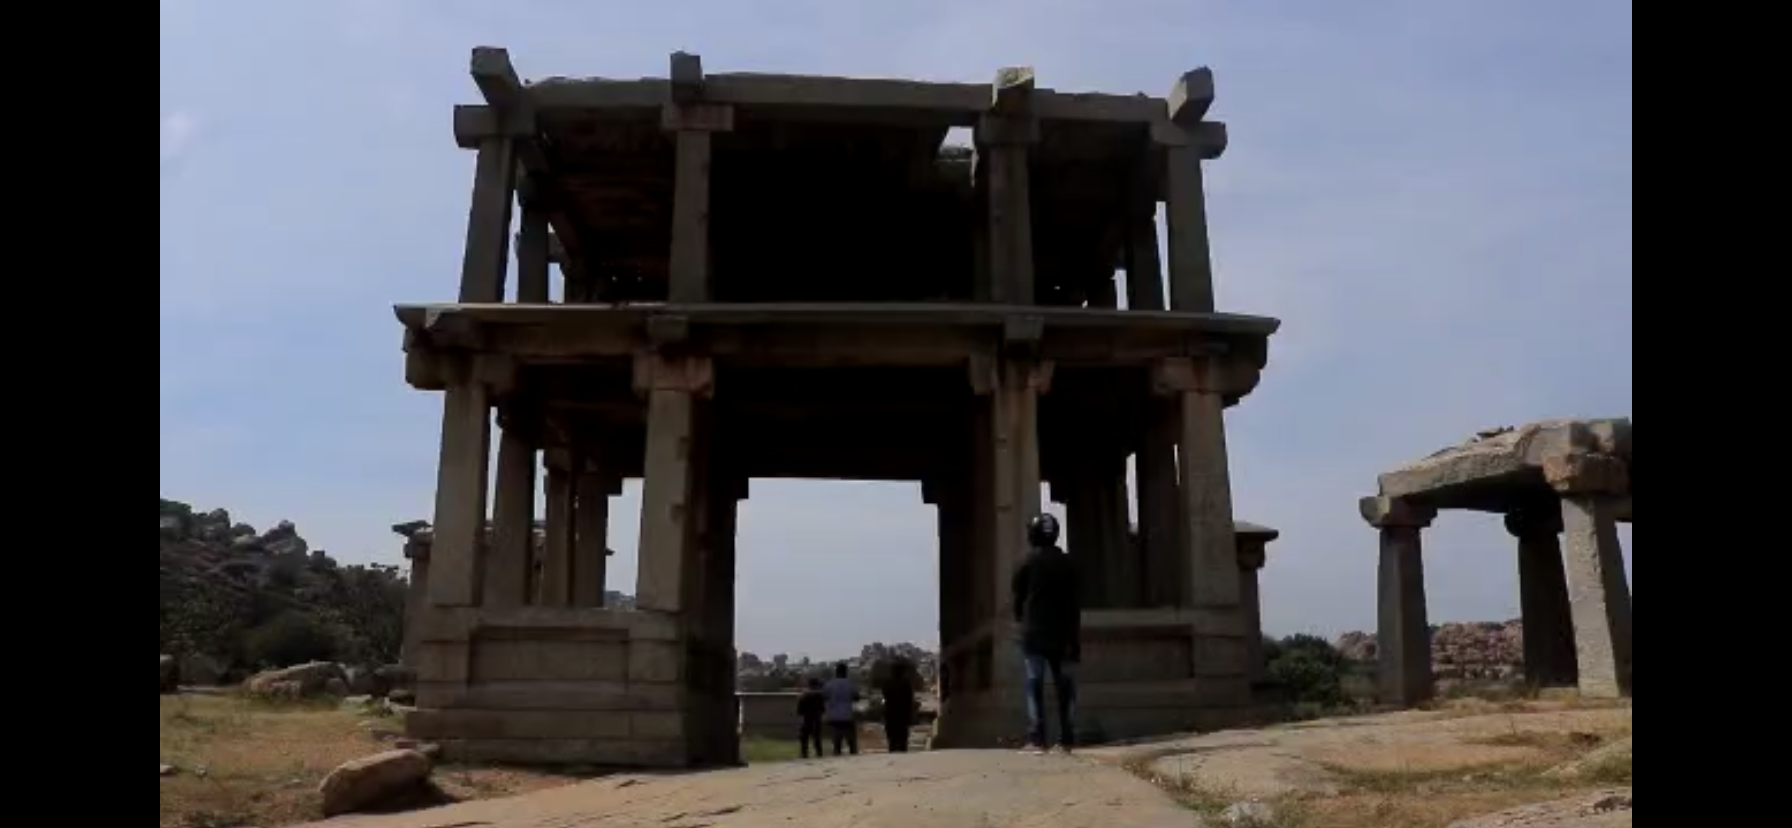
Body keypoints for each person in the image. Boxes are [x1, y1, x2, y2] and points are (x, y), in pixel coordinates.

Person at [1010, 512, 1081, 755]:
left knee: (1034, 686)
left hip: (1034, 634)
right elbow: (1075, 600)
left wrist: (1020, 621)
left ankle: (1037, 739)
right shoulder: (1069, 563)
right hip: (1064, 634)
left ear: (1032, 534)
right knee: (1065, 688)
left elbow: (1017, 597)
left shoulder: (1027, 562)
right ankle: (1067, 740)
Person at [821, 661, 860, 755]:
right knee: (851, 741)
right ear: (846, 672)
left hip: (833, 716)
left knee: (836, 740)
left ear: (836, 672)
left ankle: (837, 753)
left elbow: (824, 697)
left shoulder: (829, 684)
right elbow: (856, 697)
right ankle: (853, 754)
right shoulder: (850, 684)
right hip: (847, 716)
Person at [880, 661, 918, 753]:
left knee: (891, 740)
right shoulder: (906, 683)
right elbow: (909, 700)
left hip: (890, 714)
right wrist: (910, 715)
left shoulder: (887, 683)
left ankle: (893, 752)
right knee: (903, 740)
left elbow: (884, 697)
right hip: (902, 714)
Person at [795, 677, 825, 759]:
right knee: (817, 737)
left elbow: (799, 710)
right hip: (817, 718)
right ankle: (819, 753)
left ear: (809, 685)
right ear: (817, 685)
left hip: (807, 719)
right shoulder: (820, 695)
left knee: (804, 737)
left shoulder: (804, 695)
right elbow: (822, 709)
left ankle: (804, 753)